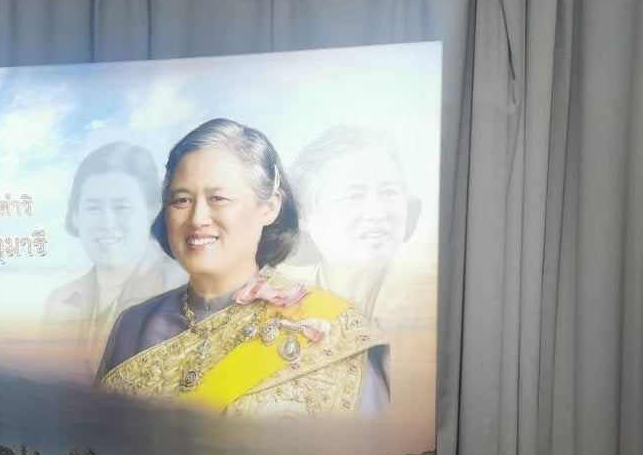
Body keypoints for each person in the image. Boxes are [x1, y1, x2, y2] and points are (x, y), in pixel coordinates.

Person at [96, 118, 388, 418]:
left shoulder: (330, 326)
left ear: (269, 207)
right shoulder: (133, 325)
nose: (197, 218)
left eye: (218, 198)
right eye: (181, 200)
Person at [42, 142, 185, 381]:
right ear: (75, 216)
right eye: (93, 208)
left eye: (121, 207)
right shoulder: (60, 301)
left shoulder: (186, 291)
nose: (107, 224)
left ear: (152, 210)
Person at [286, 124, 422, 324]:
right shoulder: (280, 309)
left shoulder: (428, 305)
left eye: (389, 192)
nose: (377, 213)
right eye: (354, 196)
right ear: (304, 215)